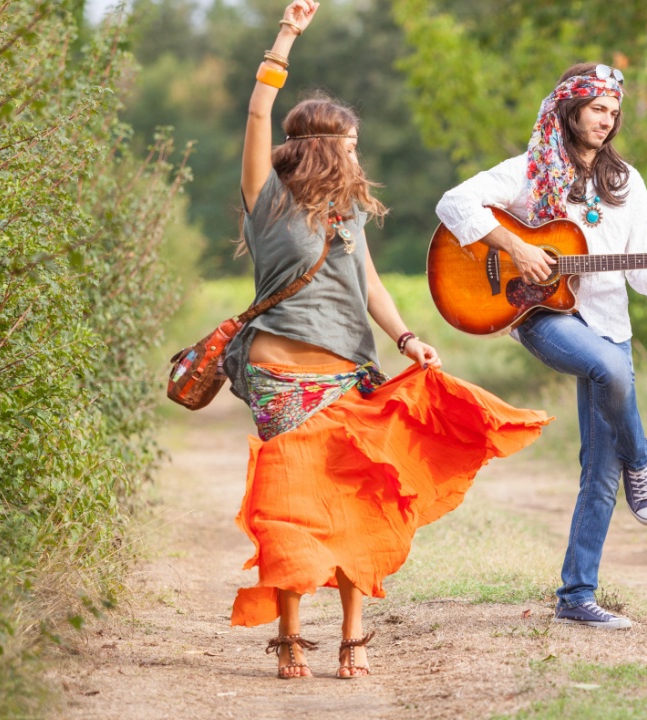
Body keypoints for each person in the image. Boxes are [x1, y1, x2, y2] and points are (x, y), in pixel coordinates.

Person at [221, 1, 549, 679]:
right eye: (349, 144)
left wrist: (406, 338)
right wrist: (286, 36)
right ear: (321, 146)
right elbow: (257, 115)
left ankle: (352, 635)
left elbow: (370, 285)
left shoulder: (348, 214)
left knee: (355, 503)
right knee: (290, 510)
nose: (356, 154)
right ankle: (289, 635)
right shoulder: (267, 200)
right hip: (281, 383)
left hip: (348, 376)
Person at [435, 63, 647, 630]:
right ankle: (641, 458)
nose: (606, 120)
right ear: (570, 109)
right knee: (610, 369)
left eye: (613, 112)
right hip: (545, 316)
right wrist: (516, 247)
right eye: (597, 108)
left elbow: (642, 274)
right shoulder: (531, 170)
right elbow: (454, 203)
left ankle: (577, 596)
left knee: (600, 470)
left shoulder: (627, 182)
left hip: (608, 319)